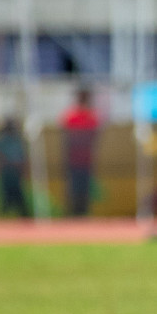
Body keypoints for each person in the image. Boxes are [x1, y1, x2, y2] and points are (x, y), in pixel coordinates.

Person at [60, 87, 100, 217]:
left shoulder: (91, 116)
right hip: (73, 158)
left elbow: (94, 137)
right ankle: (72, 214)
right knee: (73, 188)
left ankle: (83, 214)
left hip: (86, 159)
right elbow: (66, 137)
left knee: (84, 189)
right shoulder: (72, 116)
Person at [0, 116, 28, 218]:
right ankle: (4, 217)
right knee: (5, 198)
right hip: (6, 172)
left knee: (19, 198)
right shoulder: (2, 140)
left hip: (16, 173)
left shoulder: (17, 139)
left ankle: (24, 216)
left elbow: (22, 156)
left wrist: (21, 167)